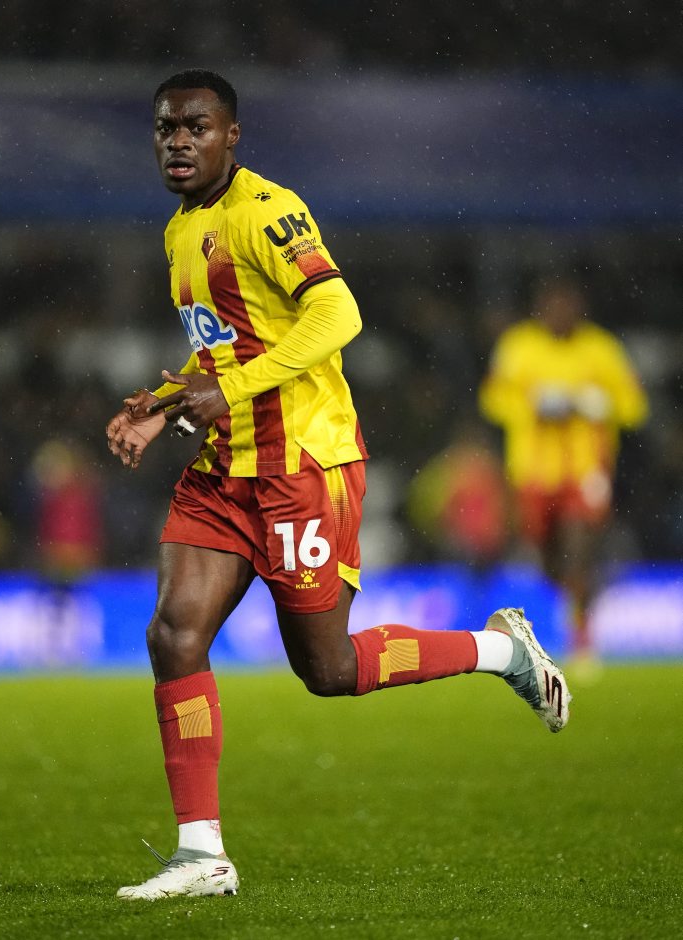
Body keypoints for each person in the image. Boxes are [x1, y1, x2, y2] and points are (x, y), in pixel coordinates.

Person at [106, 68, 571, 902]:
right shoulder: (180, 230)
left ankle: (500, 651)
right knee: (173, 635)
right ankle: (200, 854)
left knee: (328, 668)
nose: (177, 141)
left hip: (302, 469)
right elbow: (225, 352)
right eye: (166, 127)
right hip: (223, 473)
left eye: (196, 127)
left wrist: (229, 389)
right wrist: (163, 404)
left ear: (230, 136)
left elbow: (337, 314)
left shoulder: (267, 211)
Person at [479, 275, 648, 666]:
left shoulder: (601, 349)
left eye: (568, 307)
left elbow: (634, 405)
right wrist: (533, 406)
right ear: (540, 310)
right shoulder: (518, 346)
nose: (560, 315)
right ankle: (580, 598)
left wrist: (600, 404)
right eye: (553, 308)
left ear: (580, 310)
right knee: (544, 556)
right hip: (534, 470)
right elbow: (493, 398)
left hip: (586, 467)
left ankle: (582, 633)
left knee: (578, 542)